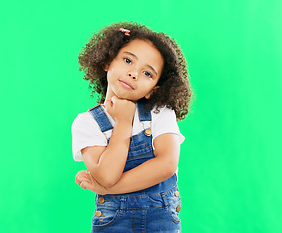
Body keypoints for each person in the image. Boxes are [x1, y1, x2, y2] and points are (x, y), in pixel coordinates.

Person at [72, 21, 192, 232]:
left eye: (148, 73)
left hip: (161, 223)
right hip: (113, 223)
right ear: (108, 61)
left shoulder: (160, 112)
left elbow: (166, 164)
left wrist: (109, 189)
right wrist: (124, 122)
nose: (134, 73)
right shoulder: (87, 123)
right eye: (128, 60)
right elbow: (107, 175)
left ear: (152, 90)